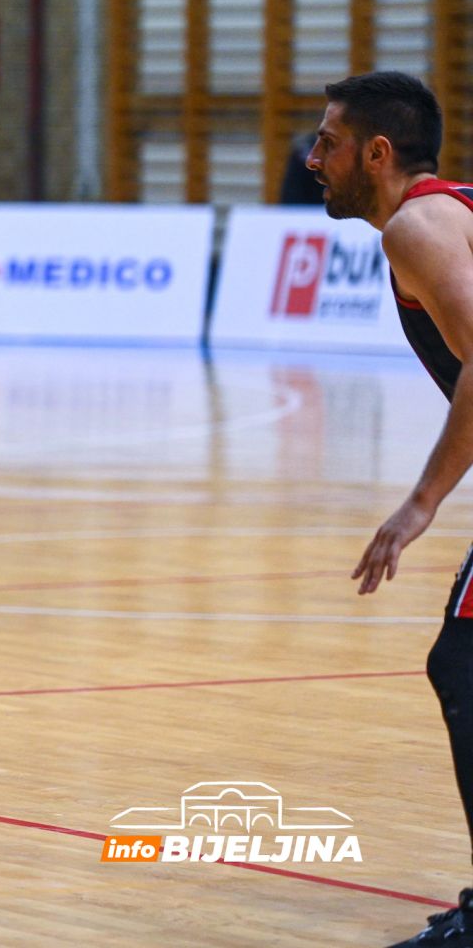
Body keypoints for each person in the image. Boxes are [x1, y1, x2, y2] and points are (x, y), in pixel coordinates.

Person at [314, 71, 473, 947]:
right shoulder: (449, 212)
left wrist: (420, 504)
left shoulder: (417, 225)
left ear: (377, 154)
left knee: (465, 669)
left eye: (329, 141)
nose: (313, 157)